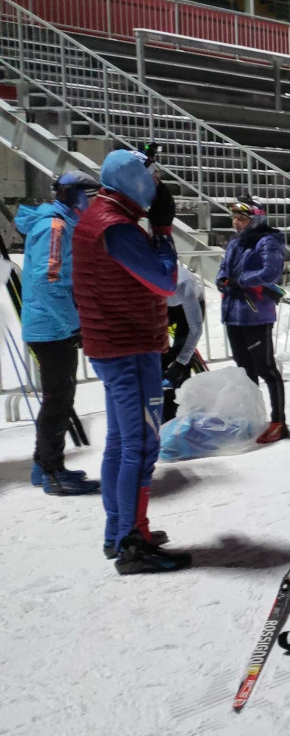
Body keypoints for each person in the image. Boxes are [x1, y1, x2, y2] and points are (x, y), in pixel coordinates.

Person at [72, 149, 190, 573]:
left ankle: (120, 531)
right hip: (128, 348)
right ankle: (131, 542)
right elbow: (165, 282)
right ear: (134, 180)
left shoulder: (103, 214)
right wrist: (162, 230)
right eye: (151, 175)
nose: (157, 182)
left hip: (117, 345)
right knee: (140, 447)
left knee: (122, 444)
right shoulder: (117, 227)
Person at [15, 170, 101, 495]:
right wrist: (74, 324)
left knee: (59, 398)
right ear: (76, 196)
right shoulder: (56, 226)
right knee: (58, 400)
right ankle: (51, 472)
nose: (93, 205)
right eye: (90, 198)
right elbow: (48, 280)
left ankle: (44, 466)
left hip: (52, 324)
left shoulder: (61, 223)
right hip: (51, 327)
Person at [216, 196, 287, 444]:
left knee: (265, 368)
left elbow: (271, 272)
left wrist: (241, 281)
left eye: (242, 218)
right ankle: (252, 417)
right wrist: (222, 280)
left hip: (256, 314)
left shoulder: (268, 240)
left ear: (255, 219)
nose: (236, 222)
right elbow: (224, 267)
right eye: (234, 217)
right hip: (233, 313)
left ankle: (279, 421)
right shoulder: (236, 241)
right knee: (244, 371)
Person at [161, 264, 206, 422]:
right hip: (167, 306)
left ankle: (183, 413)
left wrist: (180, 363)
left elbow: (196, 328)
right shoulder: (145, 284)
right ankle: (165, 416)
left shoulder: (183, 285)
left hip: (190, 304)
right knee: (161, 358)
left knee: (181, 357)